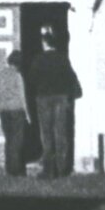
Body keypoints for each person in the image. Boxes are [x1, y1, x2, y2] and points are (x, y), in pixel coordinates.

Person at [23, 27, 83, 179]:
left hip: (43, 99)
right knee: (61, 133)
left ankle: (48, 171)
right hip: (61, 99)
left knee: (47, 134)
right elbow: (71, 78)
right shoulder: (63, 58)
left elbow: (31, 80)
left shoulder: (38, 59)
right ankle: (63, 170)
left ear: (44, 43)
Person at [0, 50, 32, 178]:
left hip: (4, 111)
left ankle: (9, 169)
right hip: (17, 110)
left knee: (9, 140)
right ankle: (16, 171)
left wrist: (0, 109)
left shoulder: (1, 75)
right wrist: (28, 115)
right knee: (17, 142)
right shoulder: (18, 76)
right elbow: (22, 97)